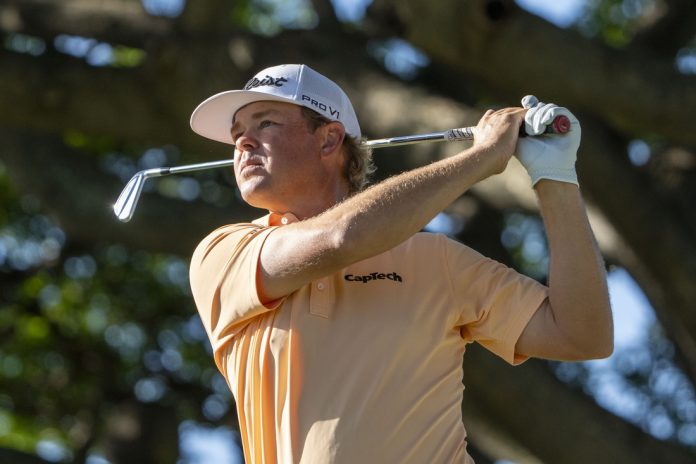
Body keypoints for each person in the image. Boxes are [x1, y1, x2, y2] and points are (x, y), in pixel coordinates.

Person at [188, 63, 613, 463]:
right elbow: (341, 237)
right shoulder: (224, 253)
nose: (242, 143)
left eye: (265, 124)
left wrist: (555, 177)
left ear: (329, 139)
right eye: (237, 133)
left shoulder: (435, 259)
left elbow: (581, 336)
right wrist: (482, 157)